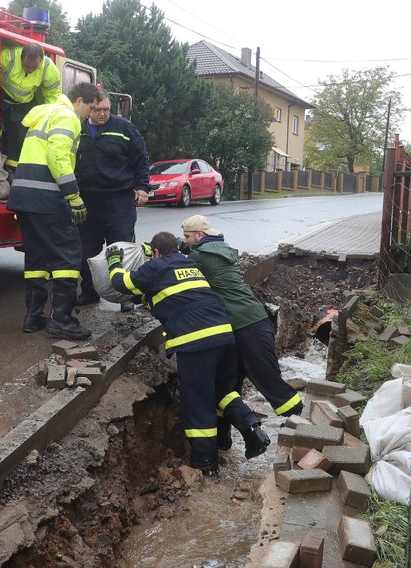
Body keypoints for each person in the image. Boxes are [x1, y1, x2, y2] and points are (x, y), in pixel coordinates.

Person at [106, 232, 270, 477]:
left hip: (196, 345)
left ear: (157, 253)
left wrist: (114, 262)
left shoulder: (156, 267)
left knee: (198, 404)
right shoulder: (190, 264)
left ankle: (206, 465)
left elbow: (122, 284)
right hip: (225, 338)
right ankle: (253, 431)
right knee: (221, 392)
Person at [181, 214, 304, 450]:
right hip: (237, 326)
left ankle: (303, 423)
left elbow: (176, 266)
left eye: (187, 237)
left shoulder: (200, 257)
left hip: (248, 325)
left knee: (267, 380)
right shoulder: (217, 249)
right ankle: (224, 440)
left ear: (199, 235)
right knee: (227, 386)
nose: (185, 241)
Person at [7, 82, 100, 340]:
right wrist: (73, 195)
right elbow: (57, 155)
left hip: (24, 197)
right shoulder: (68, 116)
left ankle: (33, 316)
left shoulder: (44, 113)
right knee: (68, 256)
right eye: (90, 109)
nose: (89, 115)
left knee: (36, 258)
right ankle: (61, 320)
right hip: (47, 197)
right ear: (79, 101)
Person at [75, 89, 151, 311]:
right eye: (97, 110)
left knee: (121, 248)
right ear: (89, 108)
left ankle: (125, 296)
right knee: (86, 250)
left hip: (119, 200)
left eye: (106, 109)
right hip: (88, 200)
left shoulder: (124, 128)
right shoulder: (78, 128)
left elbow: (141, 159)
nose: (102, 114)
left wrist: (143, 187)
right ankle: (89, 291)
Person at [0, 42, 61, 178]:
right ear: (21, 58)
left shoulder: (48, 68)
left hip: (24, 103)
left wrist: (49, 118)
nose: (31, 70)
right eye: (27, 66)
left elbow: (52, 96)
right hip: (0, 96)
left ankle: (13, 173)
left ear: (41, 60)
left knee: (20, 137)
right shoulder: (8, 56)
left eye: (35, 67)